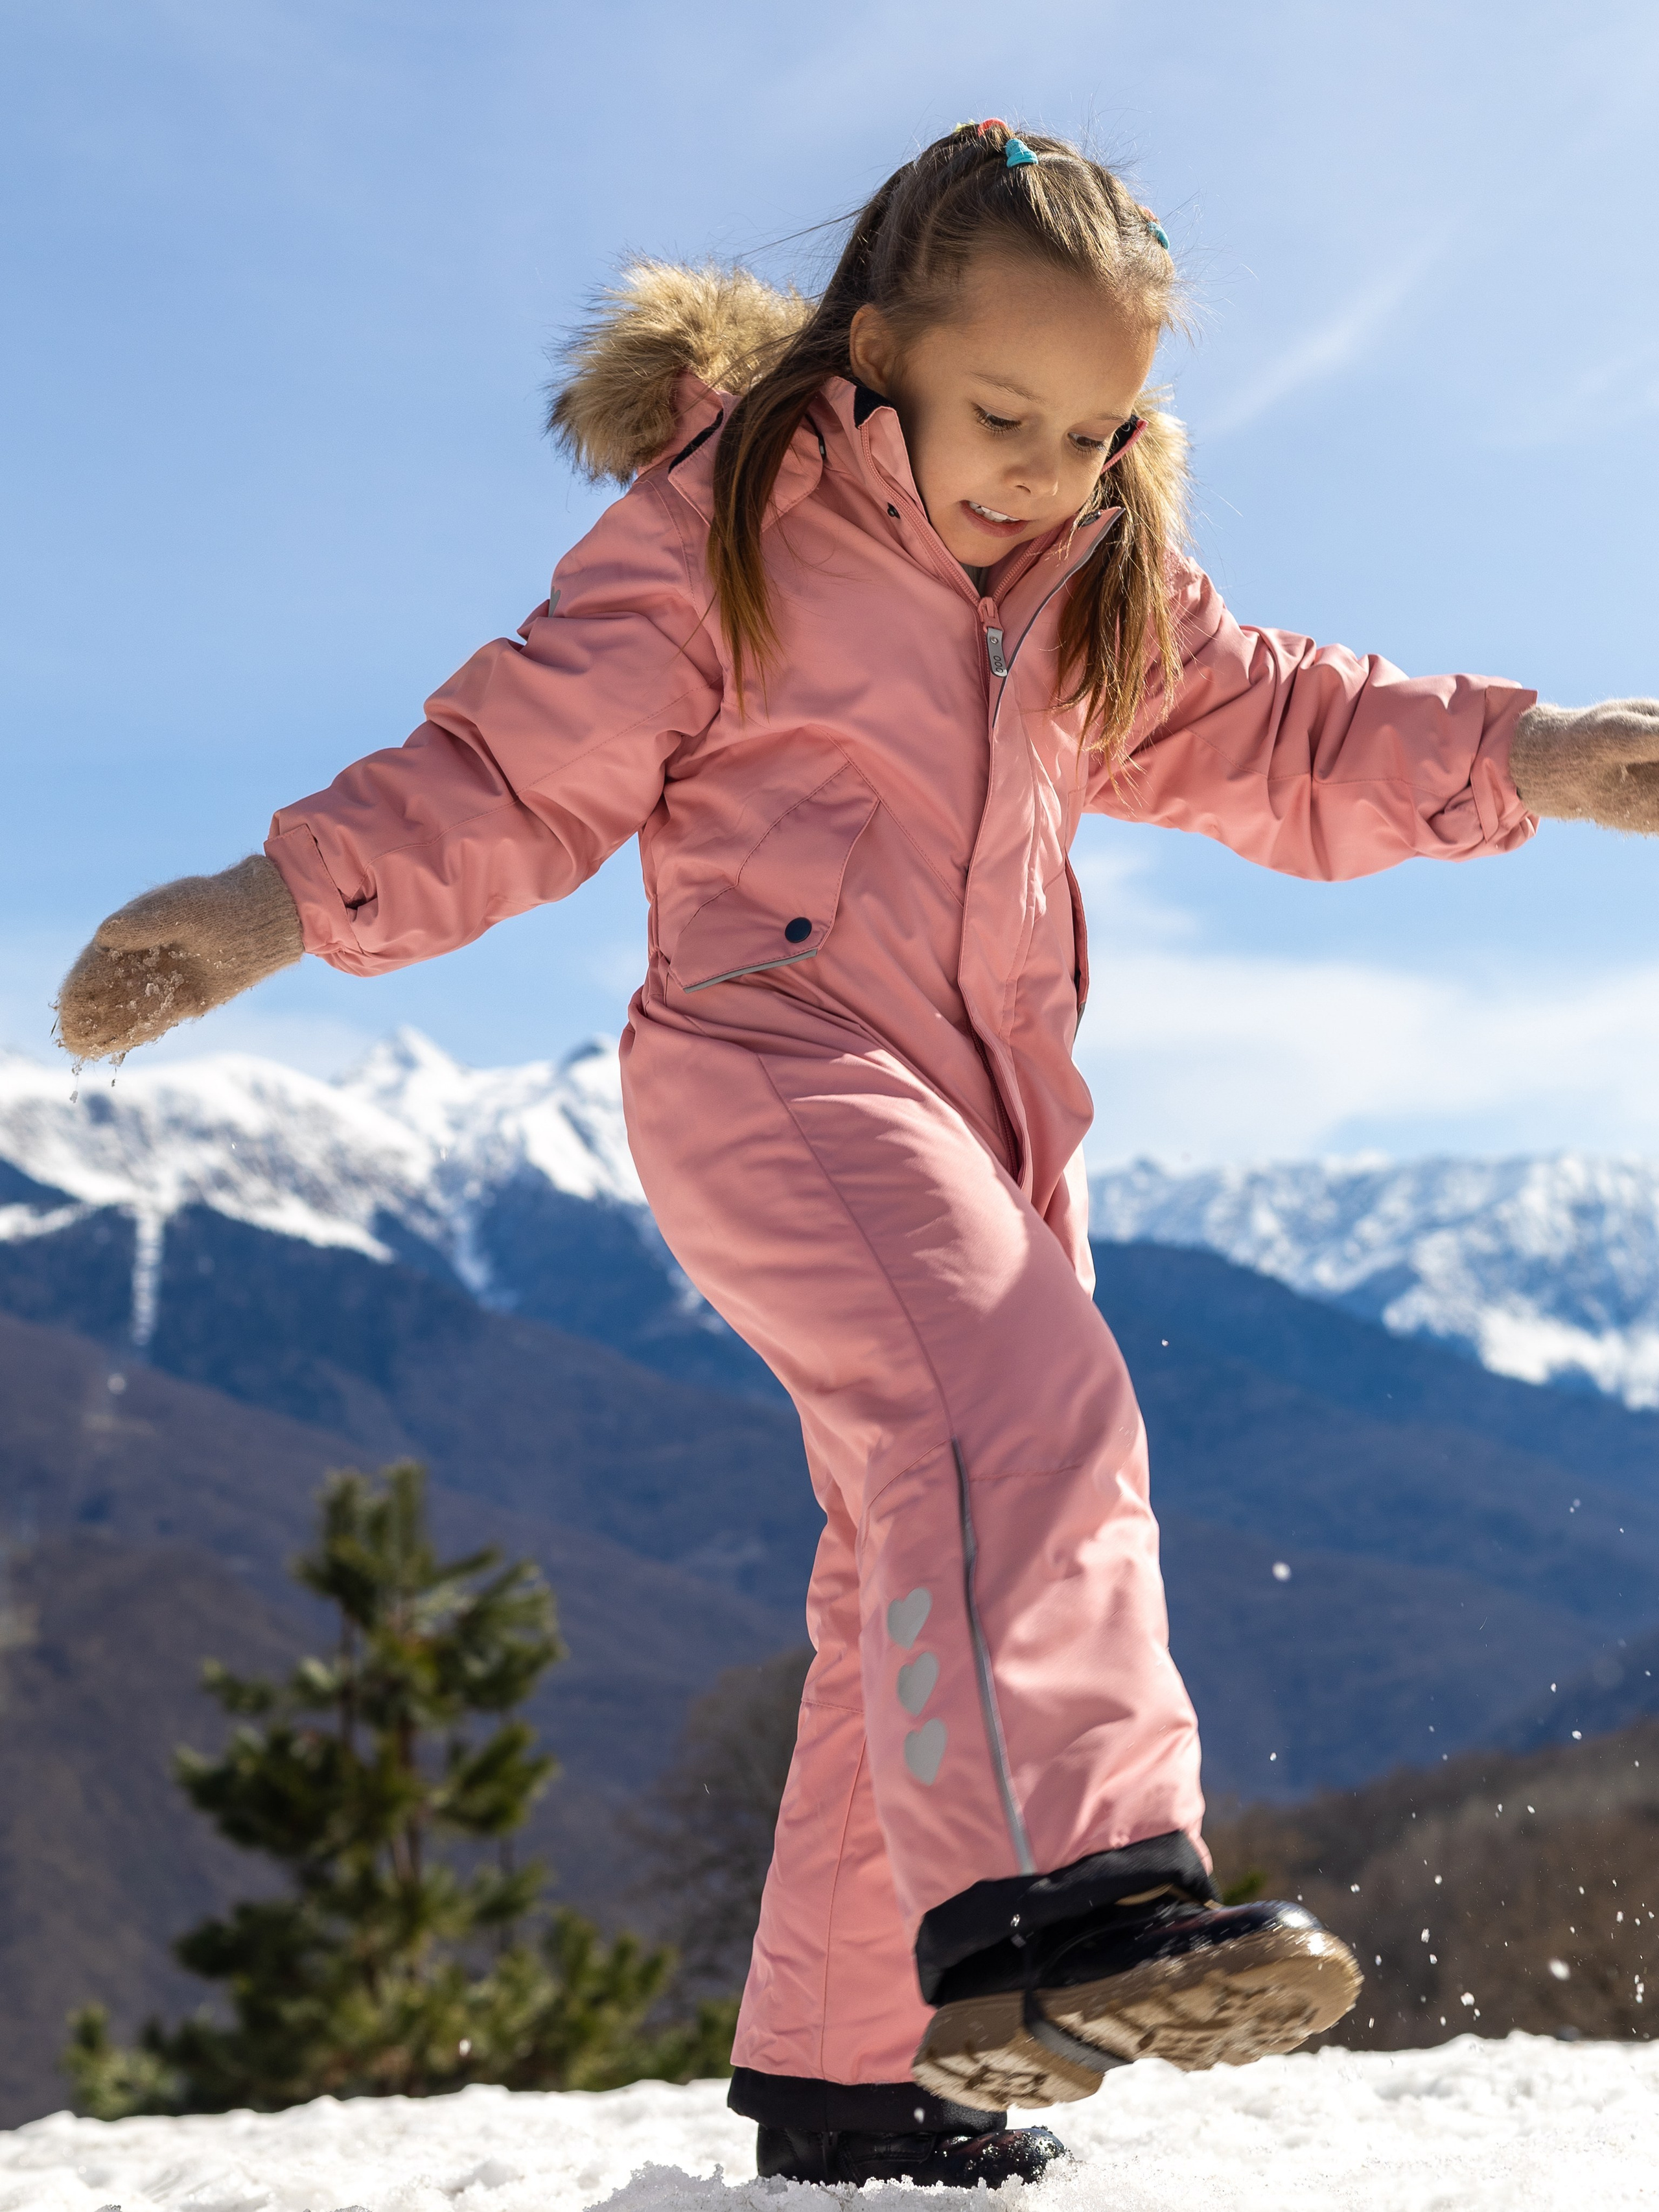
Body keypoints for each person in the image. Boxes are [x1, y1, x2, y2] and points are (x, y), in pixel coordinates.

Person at [55, 120, 1659, 2188]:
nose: (1044, 471)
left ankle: (851, 2066)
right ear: (881, 342)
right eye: (1004, 413)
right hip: (771, 1069)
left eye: (1099, 434)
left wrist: (1522, 757)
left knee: (908, 1561)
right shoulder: (731, 523)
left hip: (991, 1123)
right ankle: (1072, 1897)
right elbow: (511, 764)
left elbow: (1274, 723)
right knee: (1022, 1419)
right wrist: (277, 901)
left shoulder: (1092, 581)